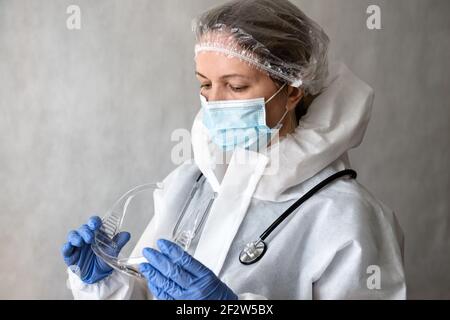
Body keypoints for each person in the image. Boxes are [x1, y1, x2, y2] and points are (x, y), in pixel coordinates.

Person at [62, 0, 406, 299]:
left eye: (236, 86)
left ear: (293, 91)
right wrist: (106, 283)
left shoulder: (347, 214)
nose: (214, 103)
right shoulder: (191, 183)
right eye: (206, 85)